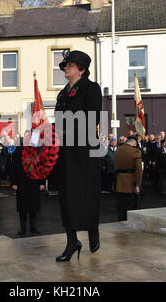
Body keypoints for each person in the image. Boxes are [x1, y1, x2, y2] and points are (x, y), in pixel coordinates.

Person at [52, 49, 102, 262]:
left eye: (70, 65)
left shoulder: (91, 89)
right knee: (67, 196)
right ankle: (72, 241)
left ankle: (92, 229)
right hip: (66, 150)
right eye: (66, 65)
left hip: (86, 149)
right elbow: (58, 120)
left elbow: (93, 118)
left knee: (87, 191)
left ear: (81, 69)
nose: (66, 68)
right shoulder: (62, 93)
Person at [11, 145, 45, 235]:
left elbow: (42, 167)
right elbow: (13, 167)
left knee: (33, 205)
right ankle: (22, 228)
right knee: (22, 206)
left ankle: (33, 227)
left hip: (34, 182)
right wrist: (14, 182)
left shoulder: (37, 150)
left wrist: (42, 182)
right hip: (21, 182)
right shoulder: (18, 150)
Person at [113, 136, 143, 221]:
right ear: (134, 143)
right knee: (131, 207)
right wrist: (138, 185)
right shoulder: (135, 151)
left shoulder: (117, 150)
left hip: (119, 183)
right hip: (130, 183)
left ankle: (120, 223)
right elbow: (139, 170)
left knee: (120, 207)